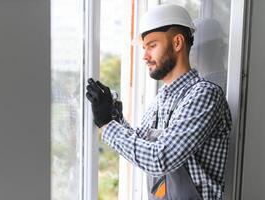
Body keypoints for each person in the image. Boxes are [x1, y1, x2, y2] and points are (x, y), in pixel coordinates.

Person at [86, 4, 232, 200]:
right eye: (144, 48)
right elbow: (143, 146)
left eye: (152, 46)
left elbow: (160, 159)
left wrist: (107, 125)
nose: (145, 56)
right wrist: (114, 117)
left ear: (178, 43)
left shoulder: (204, 95)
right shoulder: (161, 100)